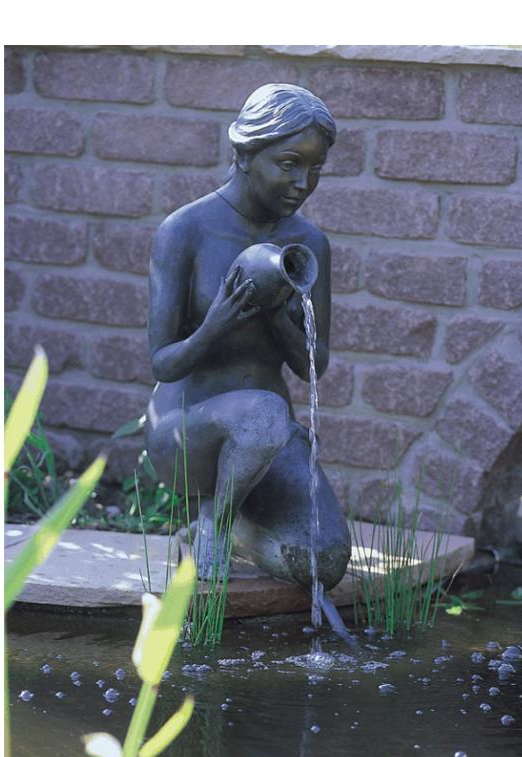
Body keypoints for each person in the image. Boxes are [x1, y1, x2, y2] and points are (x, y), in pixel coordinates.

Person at [145, 83, 352, 627]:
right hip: (186, 431)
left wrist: (278, 312)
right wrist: (217, 323)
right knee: (262, 412)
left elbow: (313, 367)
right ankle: (214, 522)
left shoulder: (309, 243)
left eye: (315, 168)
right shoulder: (185, 230)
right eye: (288, 164)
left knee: (325, 561)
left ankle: (227, 521)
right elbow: (163, 363)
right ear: (243, 153)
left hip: (266, 440)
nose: (302, 183)